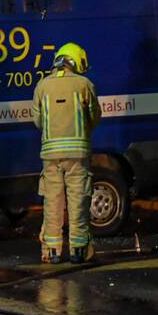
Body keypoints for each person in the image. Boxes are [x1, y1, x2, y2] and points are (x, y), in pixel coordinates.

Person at [31, 42, 101, 264]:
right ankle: (78, 250)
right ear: (76, 61)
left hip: (50, 156)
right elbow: (94, 117)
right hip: (78, 155)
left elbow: (38, 121)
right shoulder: (84, 84)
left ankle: (52, 251)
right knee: (78, 201)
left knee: (52, 202)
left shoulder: (42, 86)